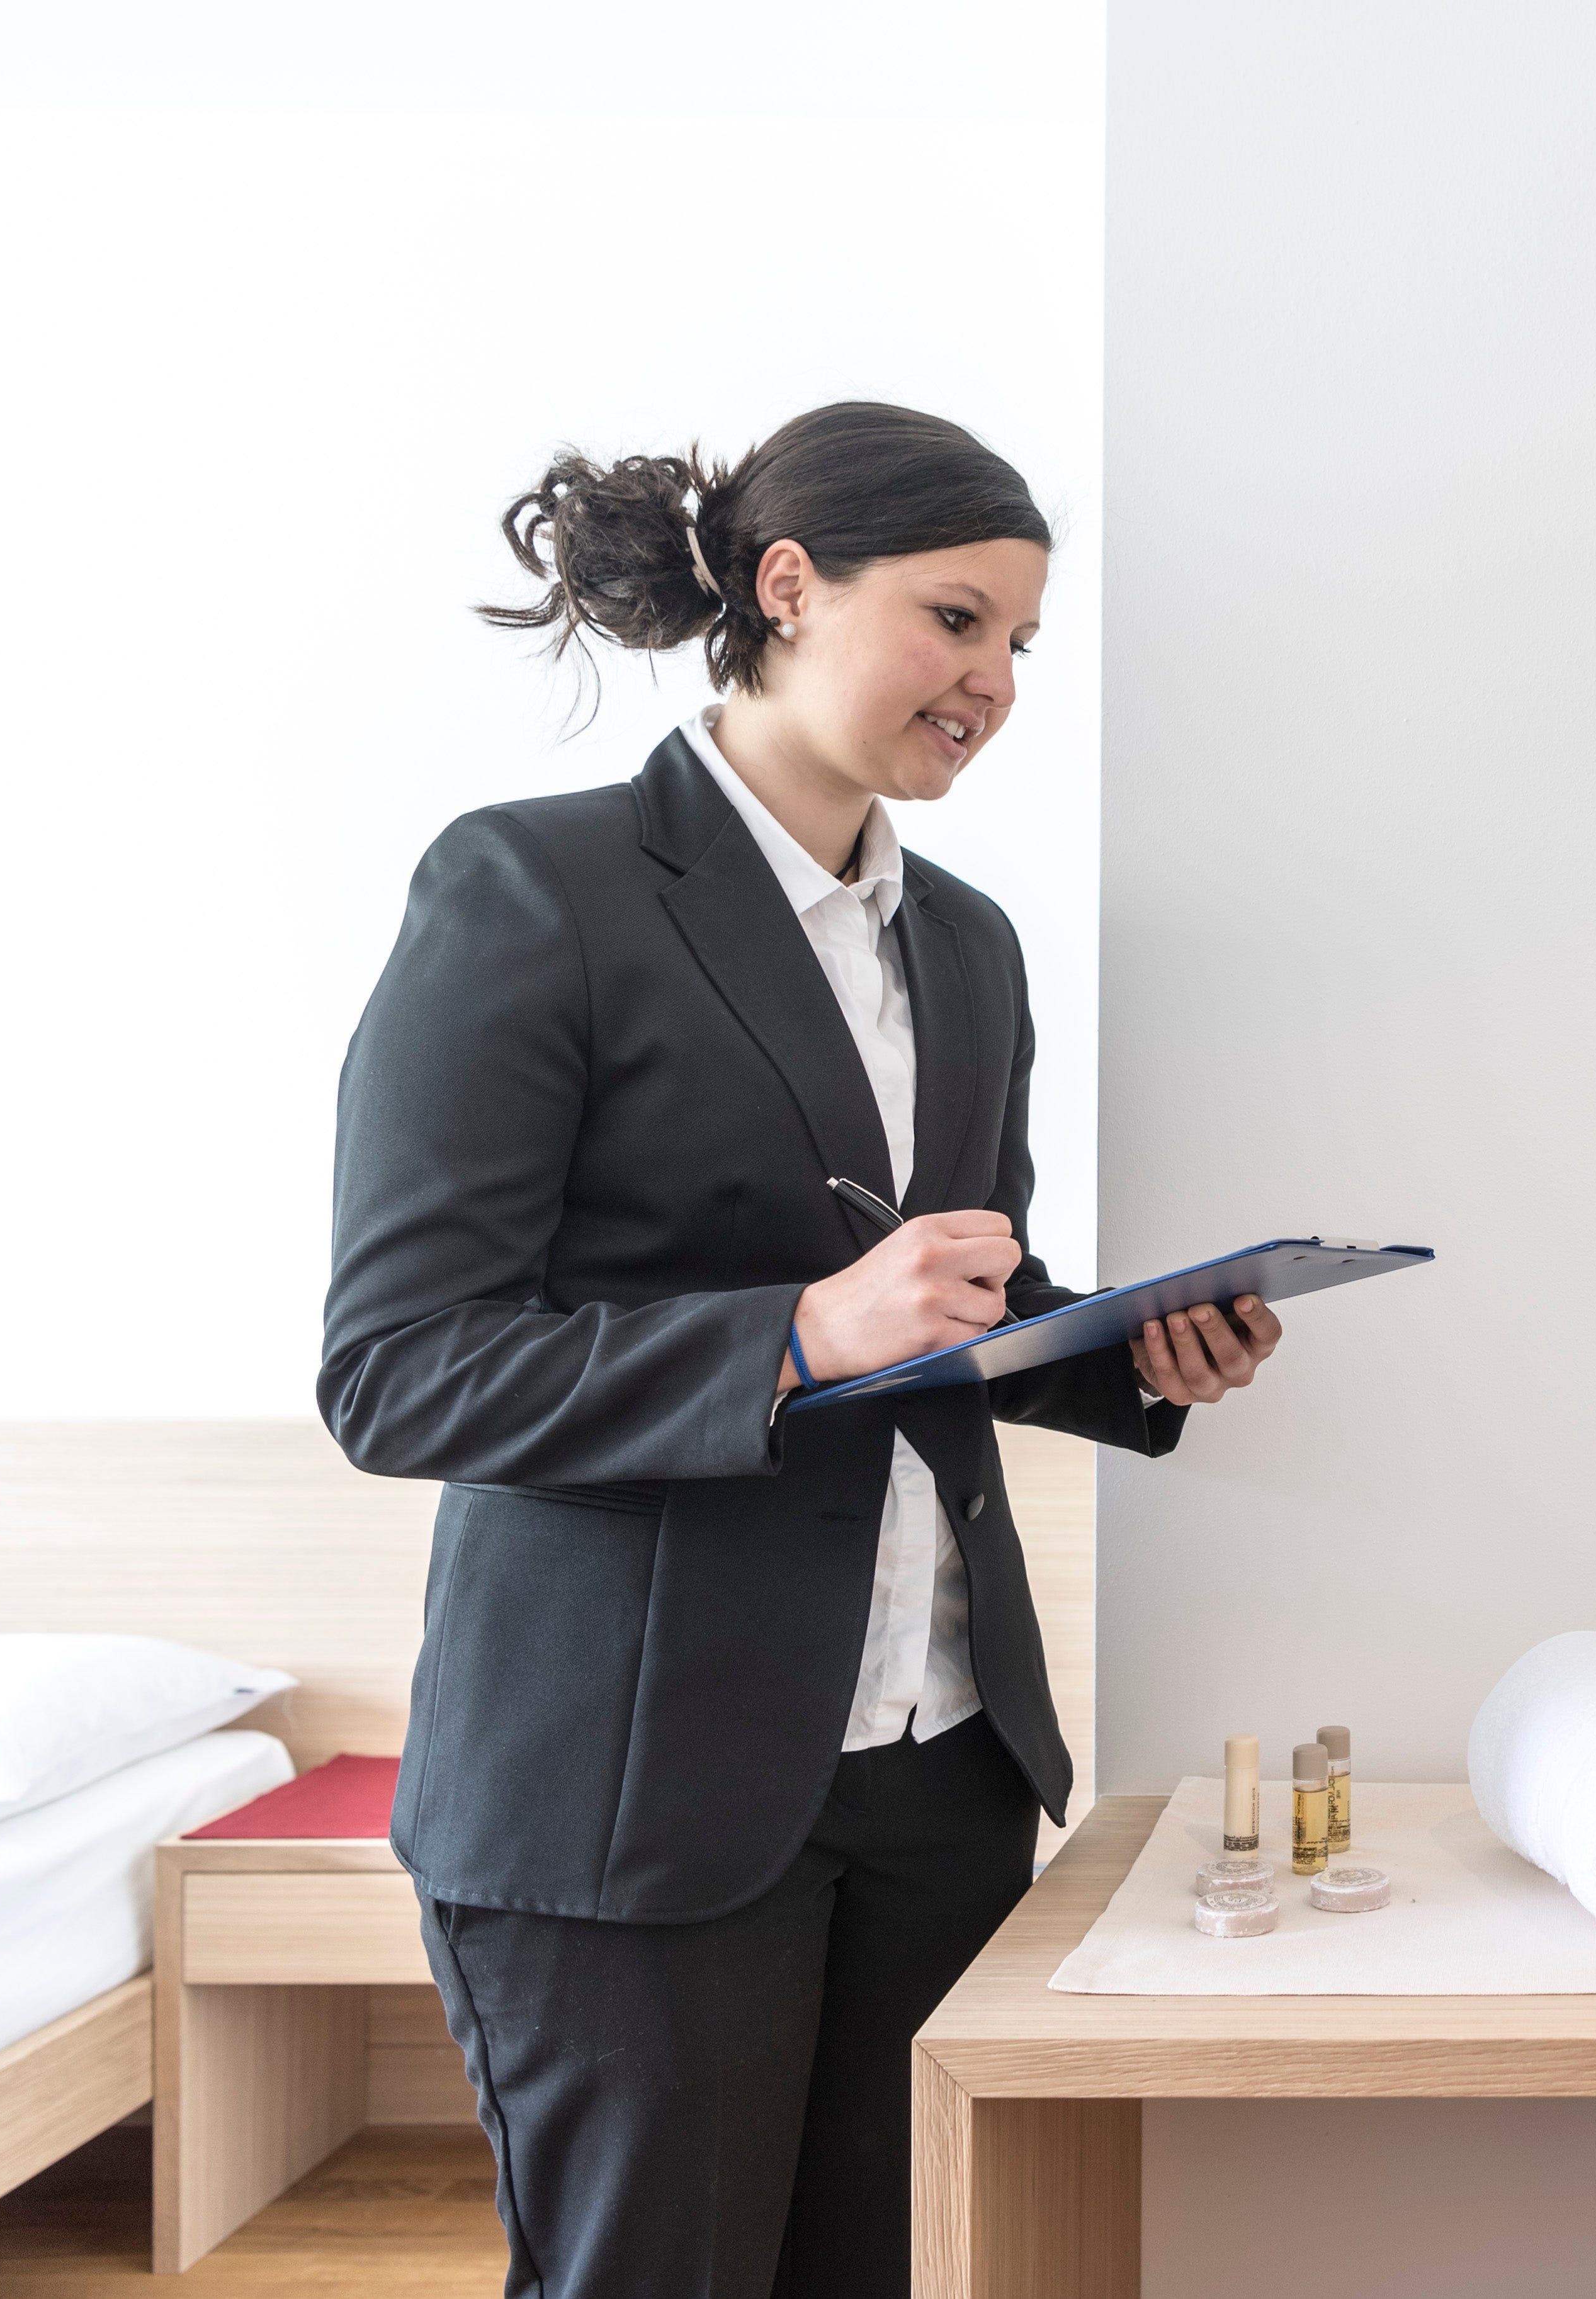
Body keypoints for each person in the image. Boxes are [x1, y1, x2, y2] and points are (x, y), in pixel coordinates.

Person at [317, 402, 1276, 2298]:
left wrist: (1126, 1355)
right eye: (957, 620)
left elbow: (953, 1300)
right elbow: (400, 1366)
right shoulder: (534, 890)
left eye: (1021, 642)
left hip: (939, 1762)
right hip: (637, 1789)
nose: (997, 682)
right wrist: (799, 1335)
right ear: (786, 588)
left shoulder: (971, 947)